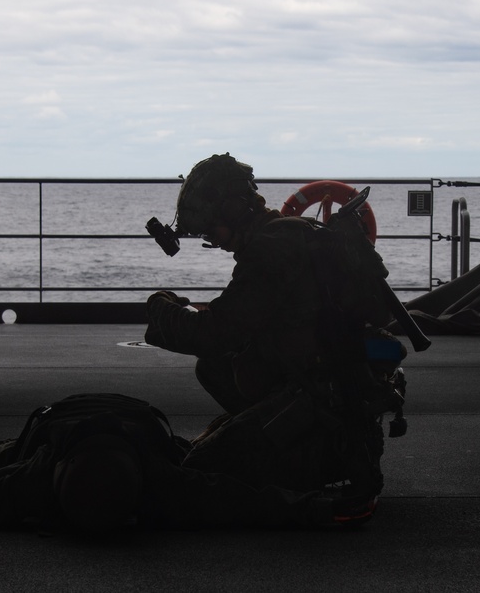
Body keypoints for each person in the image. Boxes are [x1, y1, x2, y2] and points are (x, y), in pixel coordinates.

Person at [144, 154, 405, 501]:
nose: (216, 241)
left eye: (213, 230)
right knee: (214, 368)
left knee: (199, 469)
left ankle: (307, 465)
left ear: (236, 211)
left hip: (315, 397)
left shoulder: (270, 249)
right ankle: (297, 449)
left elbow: (214, 333)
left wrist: (160, 308)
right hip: (327, 384)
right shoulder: (290, 234)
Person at [0, 393, 369, 531]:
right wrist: (324, 508)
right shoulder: (35, 476)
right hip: (57, 432)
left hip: (125, 430)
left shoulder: (159, 482)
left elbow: (246, 502)